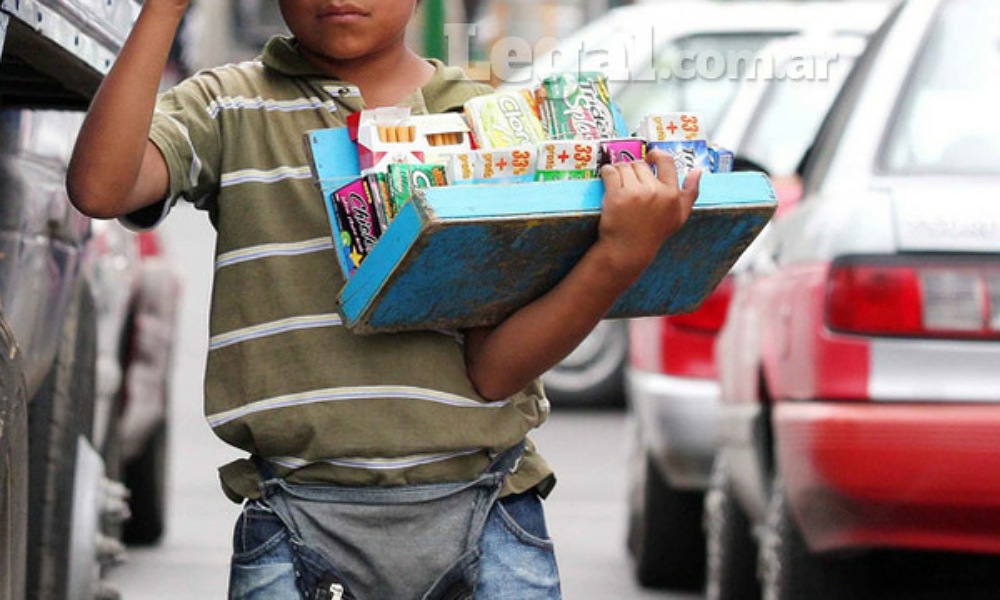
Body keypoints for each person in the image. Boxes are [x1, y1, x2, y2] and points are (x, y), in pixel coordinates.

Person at [67, 0, 701, 597]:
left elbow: (495, 371)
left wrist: (620, 256)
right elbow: (100, 189)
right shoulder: (228, 106)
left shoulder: (488, 121)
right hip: (294, 522)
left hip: (488, 515)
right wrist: (166, 9)